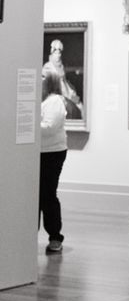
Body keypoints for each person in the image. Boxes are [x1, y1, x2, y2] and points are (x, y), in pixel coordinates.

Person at [39, 70, 67, 254]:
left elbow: (48, 128)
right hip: (38, 152)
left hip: (52, 153)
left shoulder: (55, 101)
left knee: (48, 195)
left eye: (42, 77)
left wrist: (27, 122)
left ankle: (55, 237)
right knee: (32, 196)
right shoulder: (41, 100)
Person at [42, 39, 83, 120]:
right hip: (57, 96)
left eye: (59, 52)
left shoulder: (61, 67)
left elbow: (65, 86)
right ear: (52, 52)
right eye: (56, 52)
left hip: (68, 94)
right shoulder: (47, 68)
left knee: (81, 106)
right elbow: (46, 88)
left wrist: (74, 97)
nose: (58, 55)